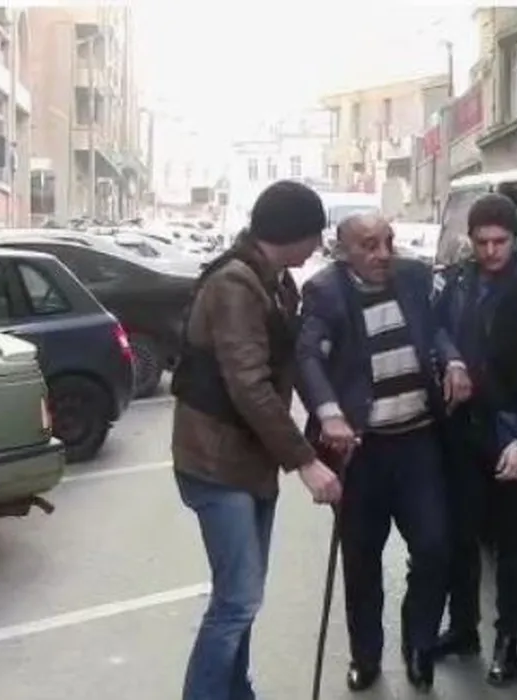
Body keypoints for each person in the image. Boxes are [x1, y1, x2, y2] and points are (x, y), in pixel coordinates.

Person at [169, 180, 343, 700]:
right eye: (313, 234)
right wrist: (305, 461)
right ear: (291, 232)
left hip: (248, 461)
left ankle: (234, 691)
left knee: (243, 597)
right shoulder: (236, 285)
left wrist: (327, 416)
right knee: (237, 600)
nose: (317, 245)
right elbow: (249, 385)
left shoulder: (274, 281)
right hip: (216, 463)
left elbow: (290, 362)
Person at [295, 214, 472, 693]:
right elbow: (307, 358)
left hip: (417, 443)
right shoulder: (325, 291)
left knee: (434, 547)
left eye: (388, 242)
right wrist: (329, 413)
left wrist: (453, 360)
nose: (384, 254)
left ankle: (419, 644)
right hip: (360, 449)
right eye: (370, 245)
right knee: (361, 559)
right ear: (343, 250)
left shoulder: (412, 277)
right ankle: (366, 656)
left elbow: (433, 329)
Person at [431, 193, 517, 686]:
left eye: (499, 242)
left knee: (511, 544)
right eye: (481, 241)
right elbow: (436, 328)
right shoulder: (460, 279)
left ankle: (508, 643)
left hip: (514, 431)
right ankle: (464, 628)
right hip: (465, 427)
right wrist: (452, 359)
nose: (490, 251)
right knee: (461, 536)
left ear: (514, 238)